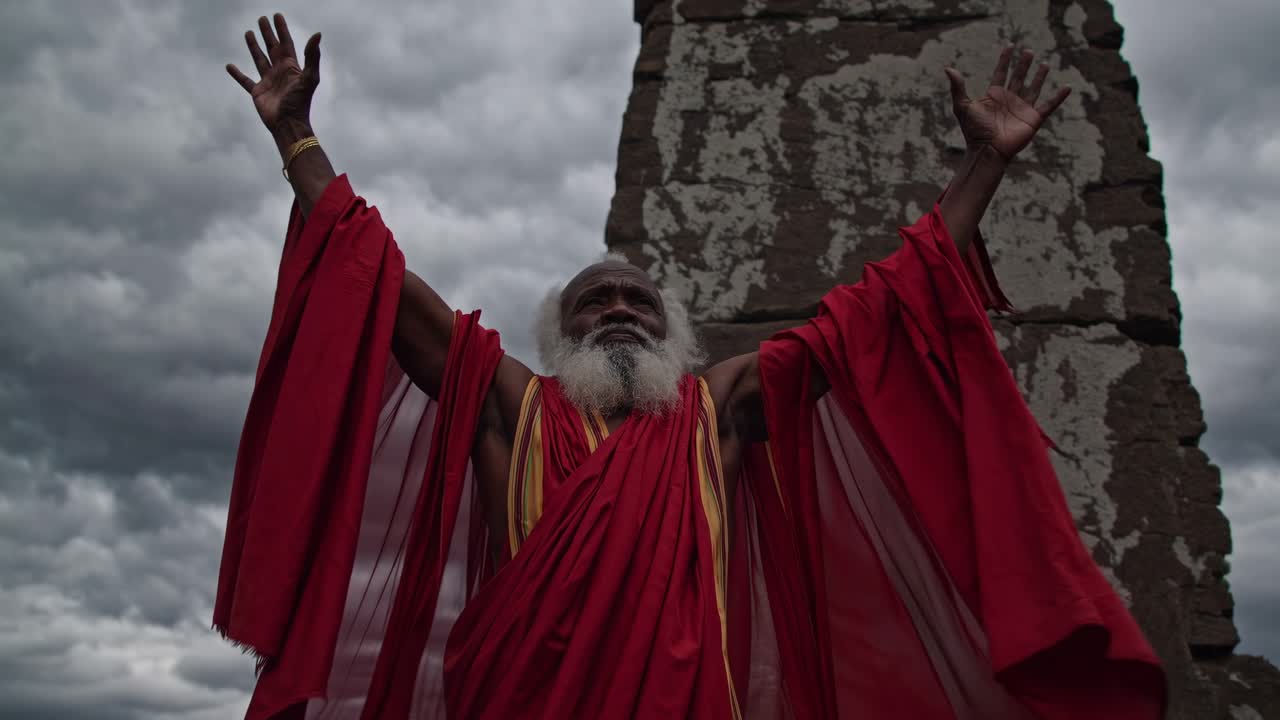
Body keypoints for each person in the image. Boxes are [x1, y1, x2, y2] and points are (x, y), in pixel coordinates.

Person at [214, 13, 1167, 720]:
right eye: (596, 301)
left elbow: (885, 306)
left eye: (639, 301)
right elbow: (376, 282)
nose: (620, 311)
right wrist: (296, 140)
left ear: (674, 332)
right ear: (560, 333)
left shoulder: (721, 406)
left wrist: (983, 172)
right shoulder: (513, 403)